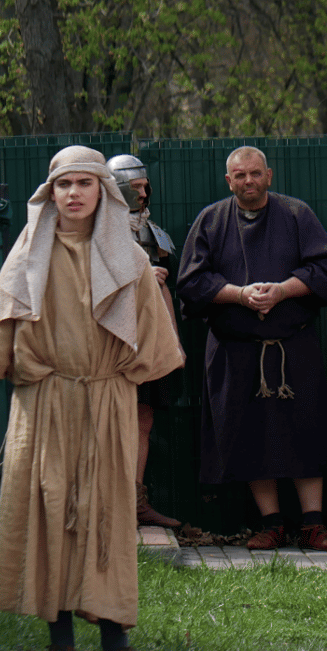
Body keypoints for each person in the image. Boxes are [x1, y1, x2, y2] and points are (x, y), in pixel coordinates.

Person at [0, 146, 183, 651]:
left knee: (108, 515)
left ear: (102, 191)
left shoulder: (130, 259)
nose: (73, 193)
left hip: (107, 401)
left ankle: (115, 641)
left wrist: (114, 378)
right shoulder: (27, 255)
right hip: (45, 402)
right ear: (50, 193)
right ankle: (60, 641)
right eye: (63, 184)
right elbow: (2, 336)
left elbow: (155, 341)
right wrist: (33, 369)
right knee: (51, 514)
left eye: (84, 183)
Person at [177, 146, 327, 551]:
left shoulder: (297, 214)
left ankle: (313, 524)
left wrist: (281, 291)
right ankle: (271, 523)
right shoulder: (210, 221)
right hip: (235, 352)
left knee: (306, 431)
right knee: (248, 435)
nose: (248, 181)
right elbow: (191, 283)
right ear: (228, 181)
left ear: (269, 175)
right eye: (239, 175)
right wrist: (239, 295)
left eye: (255, 173)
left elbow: (326, 271)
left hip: (294, 347)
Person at [106, 154, 183, 530]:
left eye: (144, 186)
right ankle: (108, 504)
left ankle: (134, 503)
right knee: (107, 419)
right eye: (133, 187)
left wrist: (174, 343)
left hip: (149, 335)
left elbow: (166, 289)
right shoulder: (99, 232)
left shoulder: (153, 233)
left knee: (143, 419)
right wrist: (138, 278)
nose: (142, 193)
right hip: (111, 338)